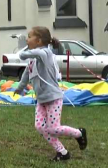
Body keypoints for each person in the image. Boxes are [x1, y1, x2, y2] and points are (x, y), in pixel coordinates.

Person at [14, 26, 87, 161]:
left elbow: (30, 54)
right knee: (40, 127)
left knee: (53, 128)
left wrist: (23, 53)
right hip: (41, 100)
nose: (27, 39)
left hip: (53, 98)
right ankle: (63, 152)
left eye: (29, 37)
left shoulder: (46, 53)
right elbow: (26, 74)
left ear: (39, 40)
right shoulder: (33, 59)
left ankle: (79, 133)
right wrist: (20, 87)